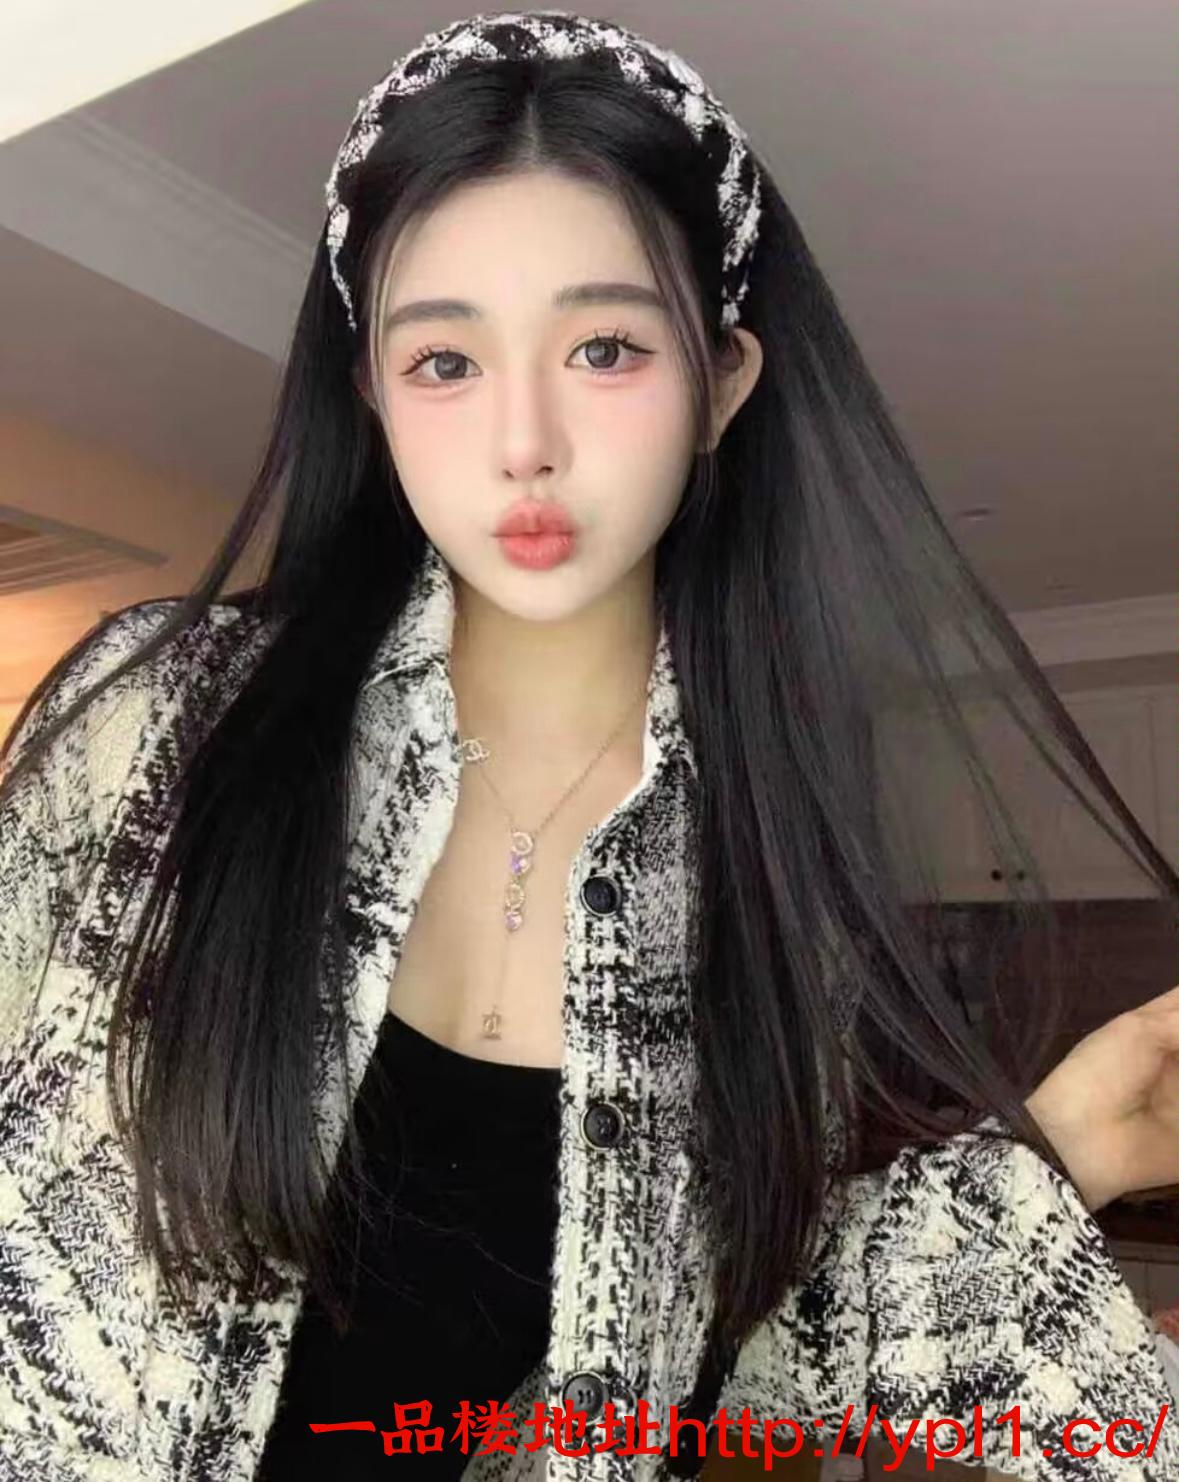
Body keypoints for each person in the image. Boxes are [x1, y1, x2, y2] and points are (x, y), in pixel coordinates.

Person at [1, 10, 1177, 1481]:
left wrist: (1062, 1150)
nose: (524, 443)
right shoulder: (157, 723)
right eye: (445, 361)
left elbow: (717, 1368)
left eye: (606, 346)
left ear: (722, 383)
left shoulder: (759, 874)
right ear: (373, 395)